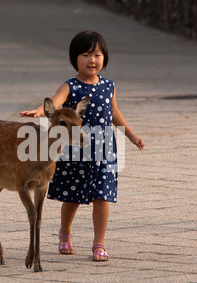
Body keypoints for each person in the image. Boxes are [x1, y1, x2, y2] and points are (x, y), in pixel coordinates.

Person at [20, 30, 145, 262]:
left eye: (97, 55)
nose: (92, 60)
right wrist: (39, 110)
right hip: (75, 151)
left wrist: (131, 136)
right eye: (86, 55)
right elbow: (55, 104)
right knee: (73, 196)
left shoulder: (109, 86)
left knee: (102, 196)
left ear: (104, 57)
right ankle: (65, 233)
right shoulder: (69, 86)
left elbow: (115, 113)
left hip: (104, 151)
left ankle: (99, 243)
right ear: (74, 58)